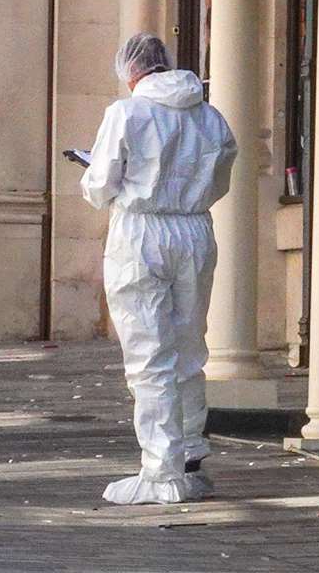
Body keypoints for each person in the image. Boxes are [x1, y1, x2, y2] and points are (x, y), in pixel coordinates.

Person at [81, 33, 238, 505]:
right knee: (190, 347)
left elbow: (101, 183)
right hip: (194, 231)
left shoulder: (126, 113)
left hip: (141, 233)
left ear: (130, 72)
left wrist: (91, 177)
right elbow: (220, 179)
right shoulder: (210, 116)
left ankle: (161, 471)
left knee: (149, 355)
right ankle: (191, 457)